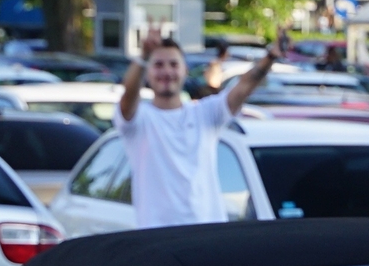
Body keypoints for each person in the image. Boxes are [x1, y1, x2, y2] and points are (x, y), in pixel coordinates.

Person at [117, 25, 282, 228]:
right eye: (158, 65)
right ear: (148, 72)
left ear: (185, 70)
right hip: (156, 239)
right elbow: (128, 96)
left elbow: (244, 87)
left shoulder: (205, 114)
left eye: (173, 64)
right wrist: (142, 57)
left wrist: (270, 57)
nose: (166, 71)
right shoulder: (139, 120)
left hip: (206, 235)